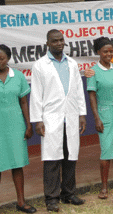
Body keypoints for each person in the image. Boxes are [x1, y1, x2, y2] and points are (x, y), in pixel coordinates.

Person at [30, 30, 87, 213]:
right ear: (47, 43)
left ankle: (69, 194)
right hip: (51, 118)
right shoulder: (40, 65)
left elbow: (78, 91)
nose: (59, 43)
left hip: (70, 116)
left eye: (61, 40)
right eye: (55, 41)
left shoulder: (72, 63)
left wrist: (82, 114)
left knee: (70, 156)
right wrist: (37, 120)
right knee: (52, 159)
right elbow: (36, 95)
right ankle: (52, 198)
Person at [0, 45, 35, 214]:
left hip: (16, 125)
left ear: (8, 59)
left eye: (1, 58)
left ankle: (21, 202)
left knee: (17, 164)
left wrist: (29, 124)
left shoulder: (18, 76)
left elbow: (24, 101)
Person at [87, 37, 113, 199]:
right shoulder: (93, 71)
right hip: (105, 112)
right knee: (106, 151)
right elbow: (92, 97)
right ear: (98, 52)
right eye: (105, 51)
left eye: (111, 51)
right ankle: (104, 187)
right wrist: (96, 118)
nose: (109, 54)